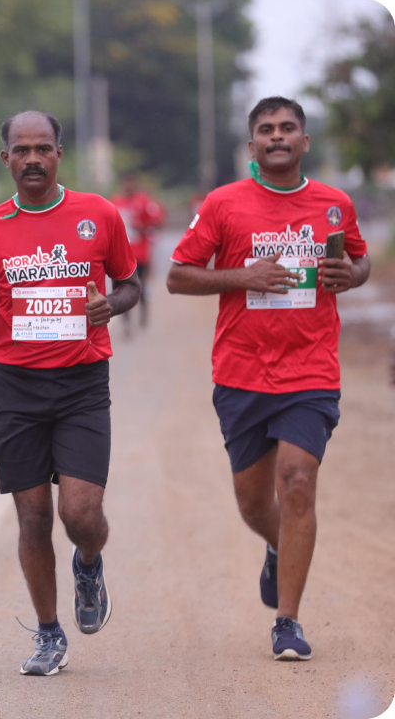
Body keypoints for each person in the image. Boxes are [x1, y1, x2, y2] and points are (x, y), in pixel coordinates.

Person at [167, 97, 371, 661]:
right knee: (255, 503)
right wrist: (244, 274)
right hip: (241, 373)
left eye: (287, 128)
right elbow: (178, 277)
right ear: (252, 144)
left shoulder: (334, 204)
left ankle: (287, 621)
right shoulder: (223, 204)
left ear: (304, 141)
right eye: (266, 130)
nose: (277, 137)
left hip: (311, 369)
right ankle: (278, 548)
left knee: (298, 481)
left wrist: (348, 275)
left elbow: (360, 261)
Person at [0, 111, 141, 676]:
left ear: (60, 153)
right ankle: (48, 633)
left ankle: (89, 563)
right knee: (33, 517)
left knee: (80, 512)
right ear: (6, 158)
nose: (32, 159)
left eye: (43, 148)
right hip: (14, 386)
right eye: (21, 150)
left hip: (82, 382)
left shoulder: (98, 214)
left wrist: (111, 304)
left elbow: (130, 283)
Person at [110, 173, 165, 329]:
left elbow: (157, 222)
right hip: (120, 253)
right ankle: (126, 321)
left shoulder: (143, 201)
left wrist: (140, 227)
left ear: (135, 184)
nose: (128, 186)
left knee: (139, 287)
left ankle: (143, 314)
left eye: (130, 183)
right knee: (121, 288)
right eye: (125, 183)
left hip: (140, 253)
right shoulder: (115, 202)